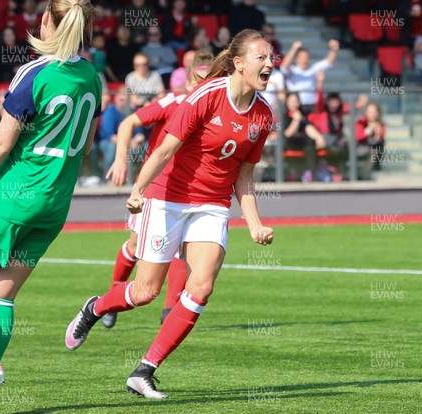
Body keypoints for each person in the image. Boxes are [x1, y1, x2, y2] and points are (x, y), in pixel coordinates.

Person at [66, 29, 274, 398]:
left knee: (201, 287)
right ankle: (95, 307)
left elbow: (244, 174)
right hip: (167, 197)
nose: (270, 64)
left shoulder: (263, 115)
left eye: (272, 57)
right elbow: (163, 151)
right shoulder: (204, 96)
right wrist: (137, 190)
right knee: (146, 291)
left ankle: (145, 370)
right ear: (239, 63)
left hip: (212, 205)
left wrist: (255, 223)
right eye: (261, 57)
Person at [0, 1, 101, 412]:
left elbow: (1, 143)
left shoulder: (35, 72)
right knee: (2, 297)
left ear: (47, 20)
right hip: (56, 204)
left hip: (15, 194)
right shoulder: (91, 76)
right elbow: (89, 143)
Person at [100, 50, 215, 329]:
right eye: (199, 81)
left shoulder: (215, 111)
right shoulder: (172, 102)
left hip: (189, 193)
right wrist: (120, 159)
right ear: (188, 83)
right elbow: (129, 122)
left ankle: (169, 308)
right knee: (135, 245)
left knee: (182, 250)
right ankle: (112, 296)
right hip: (156, 190)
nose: (203, 87)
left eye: (210, 81)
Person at [280, 39, 339, 114]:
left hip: (311, 105)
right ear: (297, 58)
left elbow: (329, 61)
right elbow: (284, 66)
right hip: (295, 105)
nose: (305, 59)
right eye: (302, 57)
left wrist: (334, 49)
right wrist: (294, 49)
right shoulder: (292, 70)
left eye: (306, 57)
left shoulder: (313, 69)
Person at [355, 101, 385, 178]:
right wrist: (369, 130)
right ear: (366, 112)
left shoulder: (380, 124)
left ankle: (373, 169)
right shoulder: (361, 122)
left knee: (376, 148)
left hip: (372, 150)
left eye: (375, 112)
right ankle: (364, 175)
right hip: (360, 148)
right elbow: (359, 137)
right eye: (371, 112)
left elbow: (380, 140)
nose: (373, 114)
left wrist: (378, 134)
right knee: (373, 152)